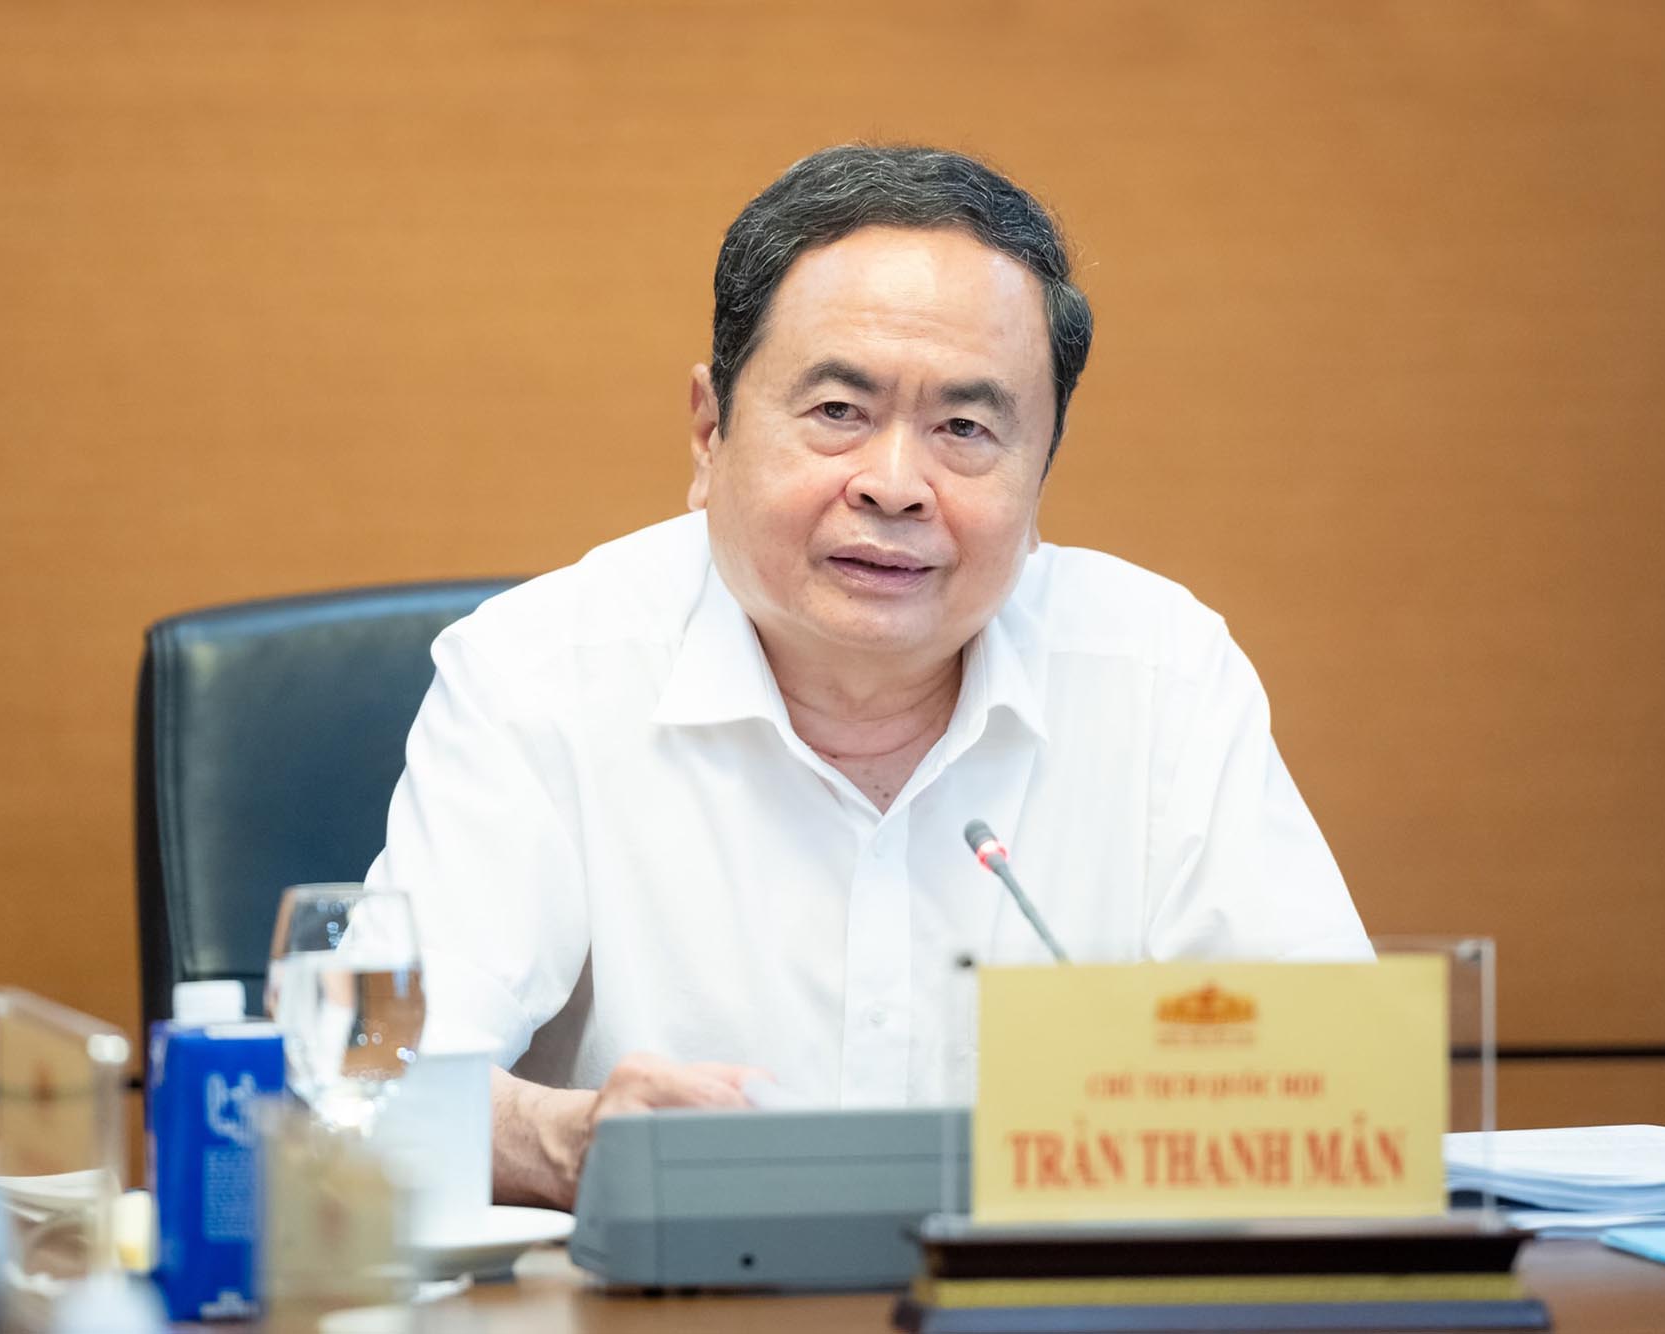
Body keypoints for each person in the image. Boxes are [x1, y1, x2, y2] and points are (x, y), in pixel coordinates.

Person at [368, 144, 1369, 1209]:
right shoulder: (537, 673)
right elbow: (364, 1085)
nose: (895, 486)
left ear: (1040, 477)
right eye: (839, 412)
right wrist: (567, 1142)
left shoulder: (1161, 674)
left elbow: (1333, 1087)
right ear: (709, 431)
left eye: (964, 429)